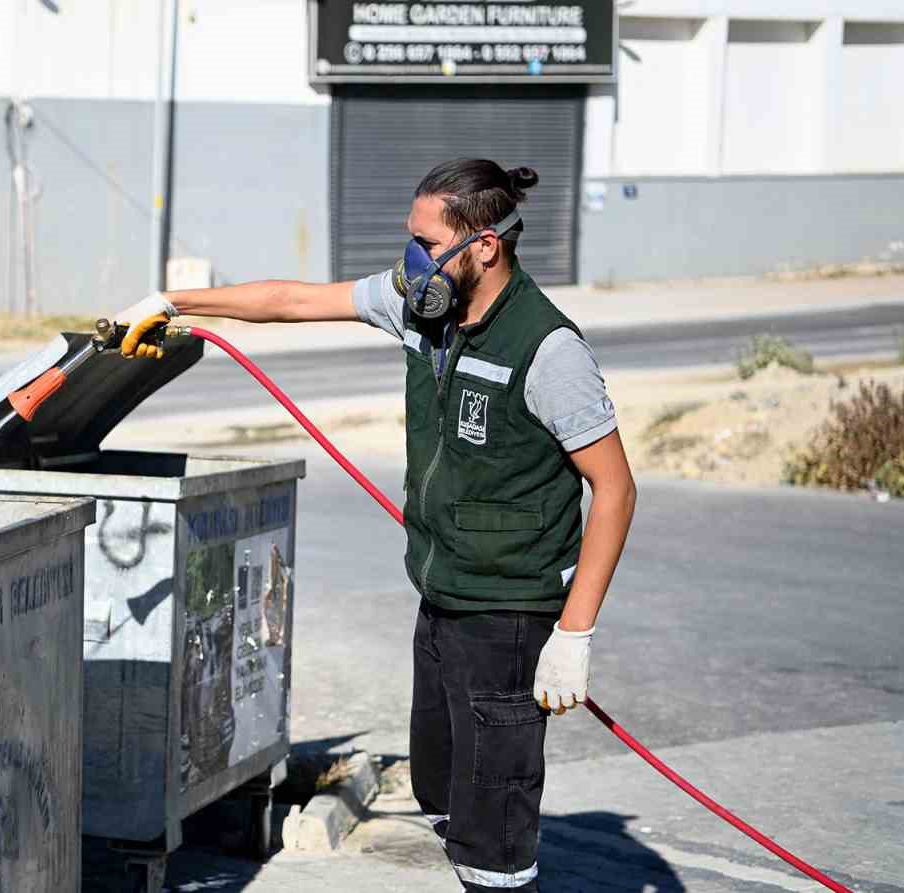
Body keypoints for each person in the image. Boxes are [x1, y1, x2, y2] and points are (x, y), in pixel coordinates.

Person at [114, 158, 637, 891]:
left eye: (428, 242)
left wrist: (573, 634)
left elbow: (614, 488)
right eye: (411, 239)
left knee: (496, 839)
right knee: (444, 796)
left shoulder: (548, 350)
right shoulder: (421, 306)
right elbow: (293, 300)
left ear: (484, 244)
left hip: (511, 616)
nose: (413, 258)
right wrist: (176, 301)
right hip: (443, 600)